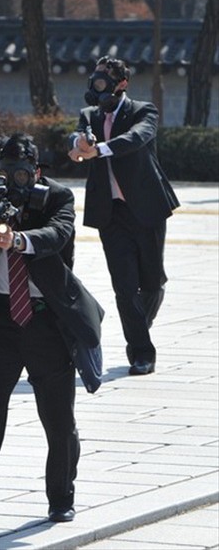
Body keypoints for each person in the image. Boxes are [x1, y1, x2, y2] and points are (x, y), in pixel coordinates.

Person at [0, 133, 104, 535]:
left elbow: (58, 236)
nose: (12, 180)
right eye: (5, 172)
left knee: (57, 415)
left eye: (21, 172)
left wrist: (19, 239)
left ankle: (61, 495)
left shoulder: (56, 197)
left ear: (36, 171)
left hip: (46, 318)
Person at [68, 56, 179, 376]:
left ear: (122, 84)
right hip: (110, 212)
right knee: (125, 287)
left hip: (146, 208)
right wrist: (78, 143)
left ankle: (138, 326)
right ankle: (141, 352)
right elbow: (75, 137)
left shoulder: (143, 110)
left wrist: (99, 149)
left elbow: (137, 138)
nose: (99, 86)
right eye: (96, 80)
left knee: (152, 282)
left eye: (105, 80)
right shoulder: (89, 114)